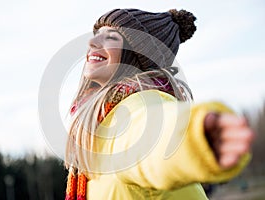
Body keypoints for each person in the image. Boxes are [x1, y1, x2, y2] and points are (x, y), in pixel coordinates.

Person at [64, 8, 254, 200]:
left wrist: (196, 137)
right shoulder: (100, 123)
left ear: (138, 54)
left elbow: (154, 139)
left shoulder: (138, 107)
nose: (92, 41)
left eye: (111, 37)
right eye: (97, 35)